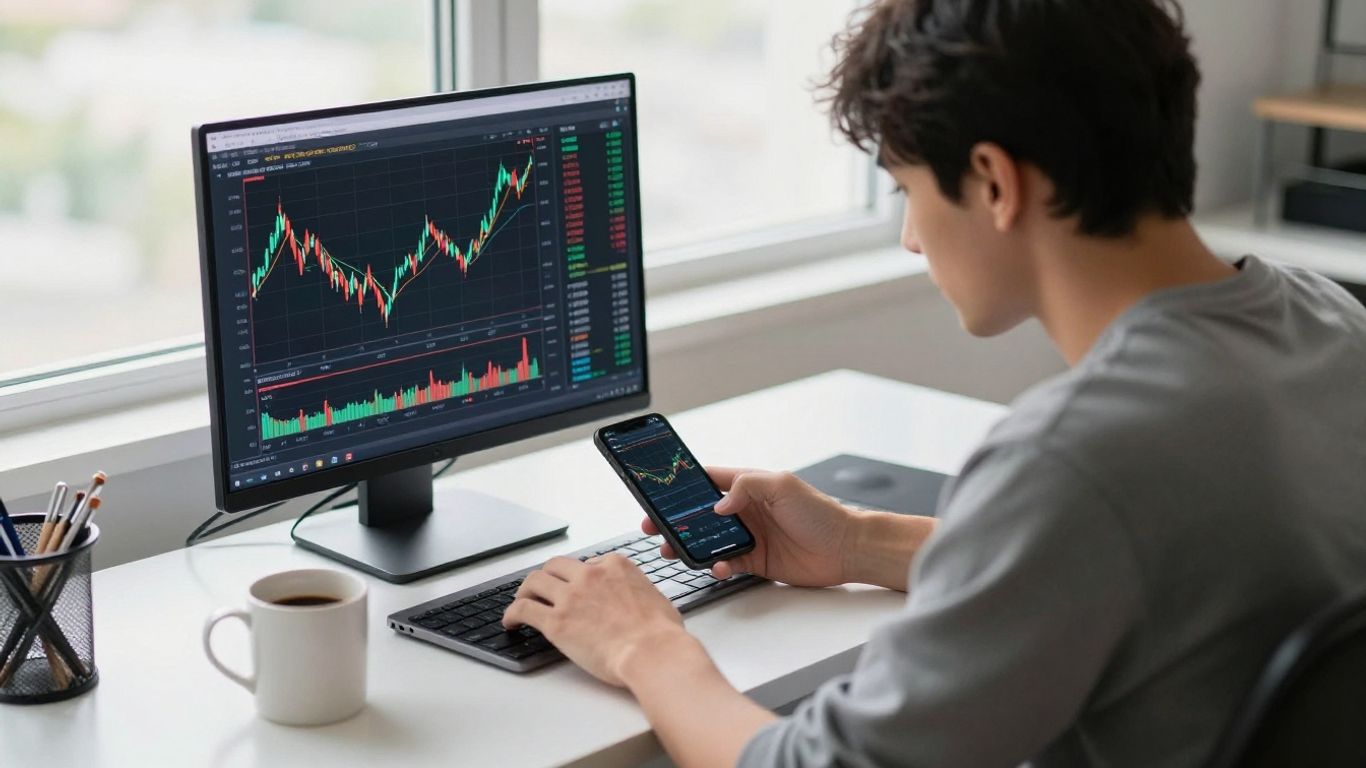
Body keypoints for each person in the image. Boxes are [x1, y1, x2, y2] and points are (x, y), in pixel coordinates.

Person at [503, 0, 1366, 765]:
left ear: (993, 182)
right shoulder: (1331, 324)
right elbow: (1146, 569)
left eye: (907, 190)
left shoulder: (1071, 459)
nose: (911, 239)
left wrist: (644, 646)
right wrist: (855, 542)